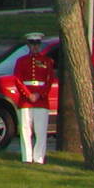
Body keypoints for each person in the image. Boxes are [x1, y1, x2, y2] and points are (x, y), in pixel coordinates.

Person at [13, 32, 55, 165]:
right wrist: (28, 94)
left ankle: (39, 158)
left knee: (41, 131)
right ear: (28, 45)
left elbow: (49, 80)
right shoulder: (21, 61)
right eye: (32, 43)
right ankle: (27, 157)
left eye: (37, 43)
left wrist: (39, 94)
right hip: (26, 100)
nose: (35, 46)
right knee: (25, 130)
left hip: (41, 100)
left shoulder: (47, 61)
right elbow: (18, 80)